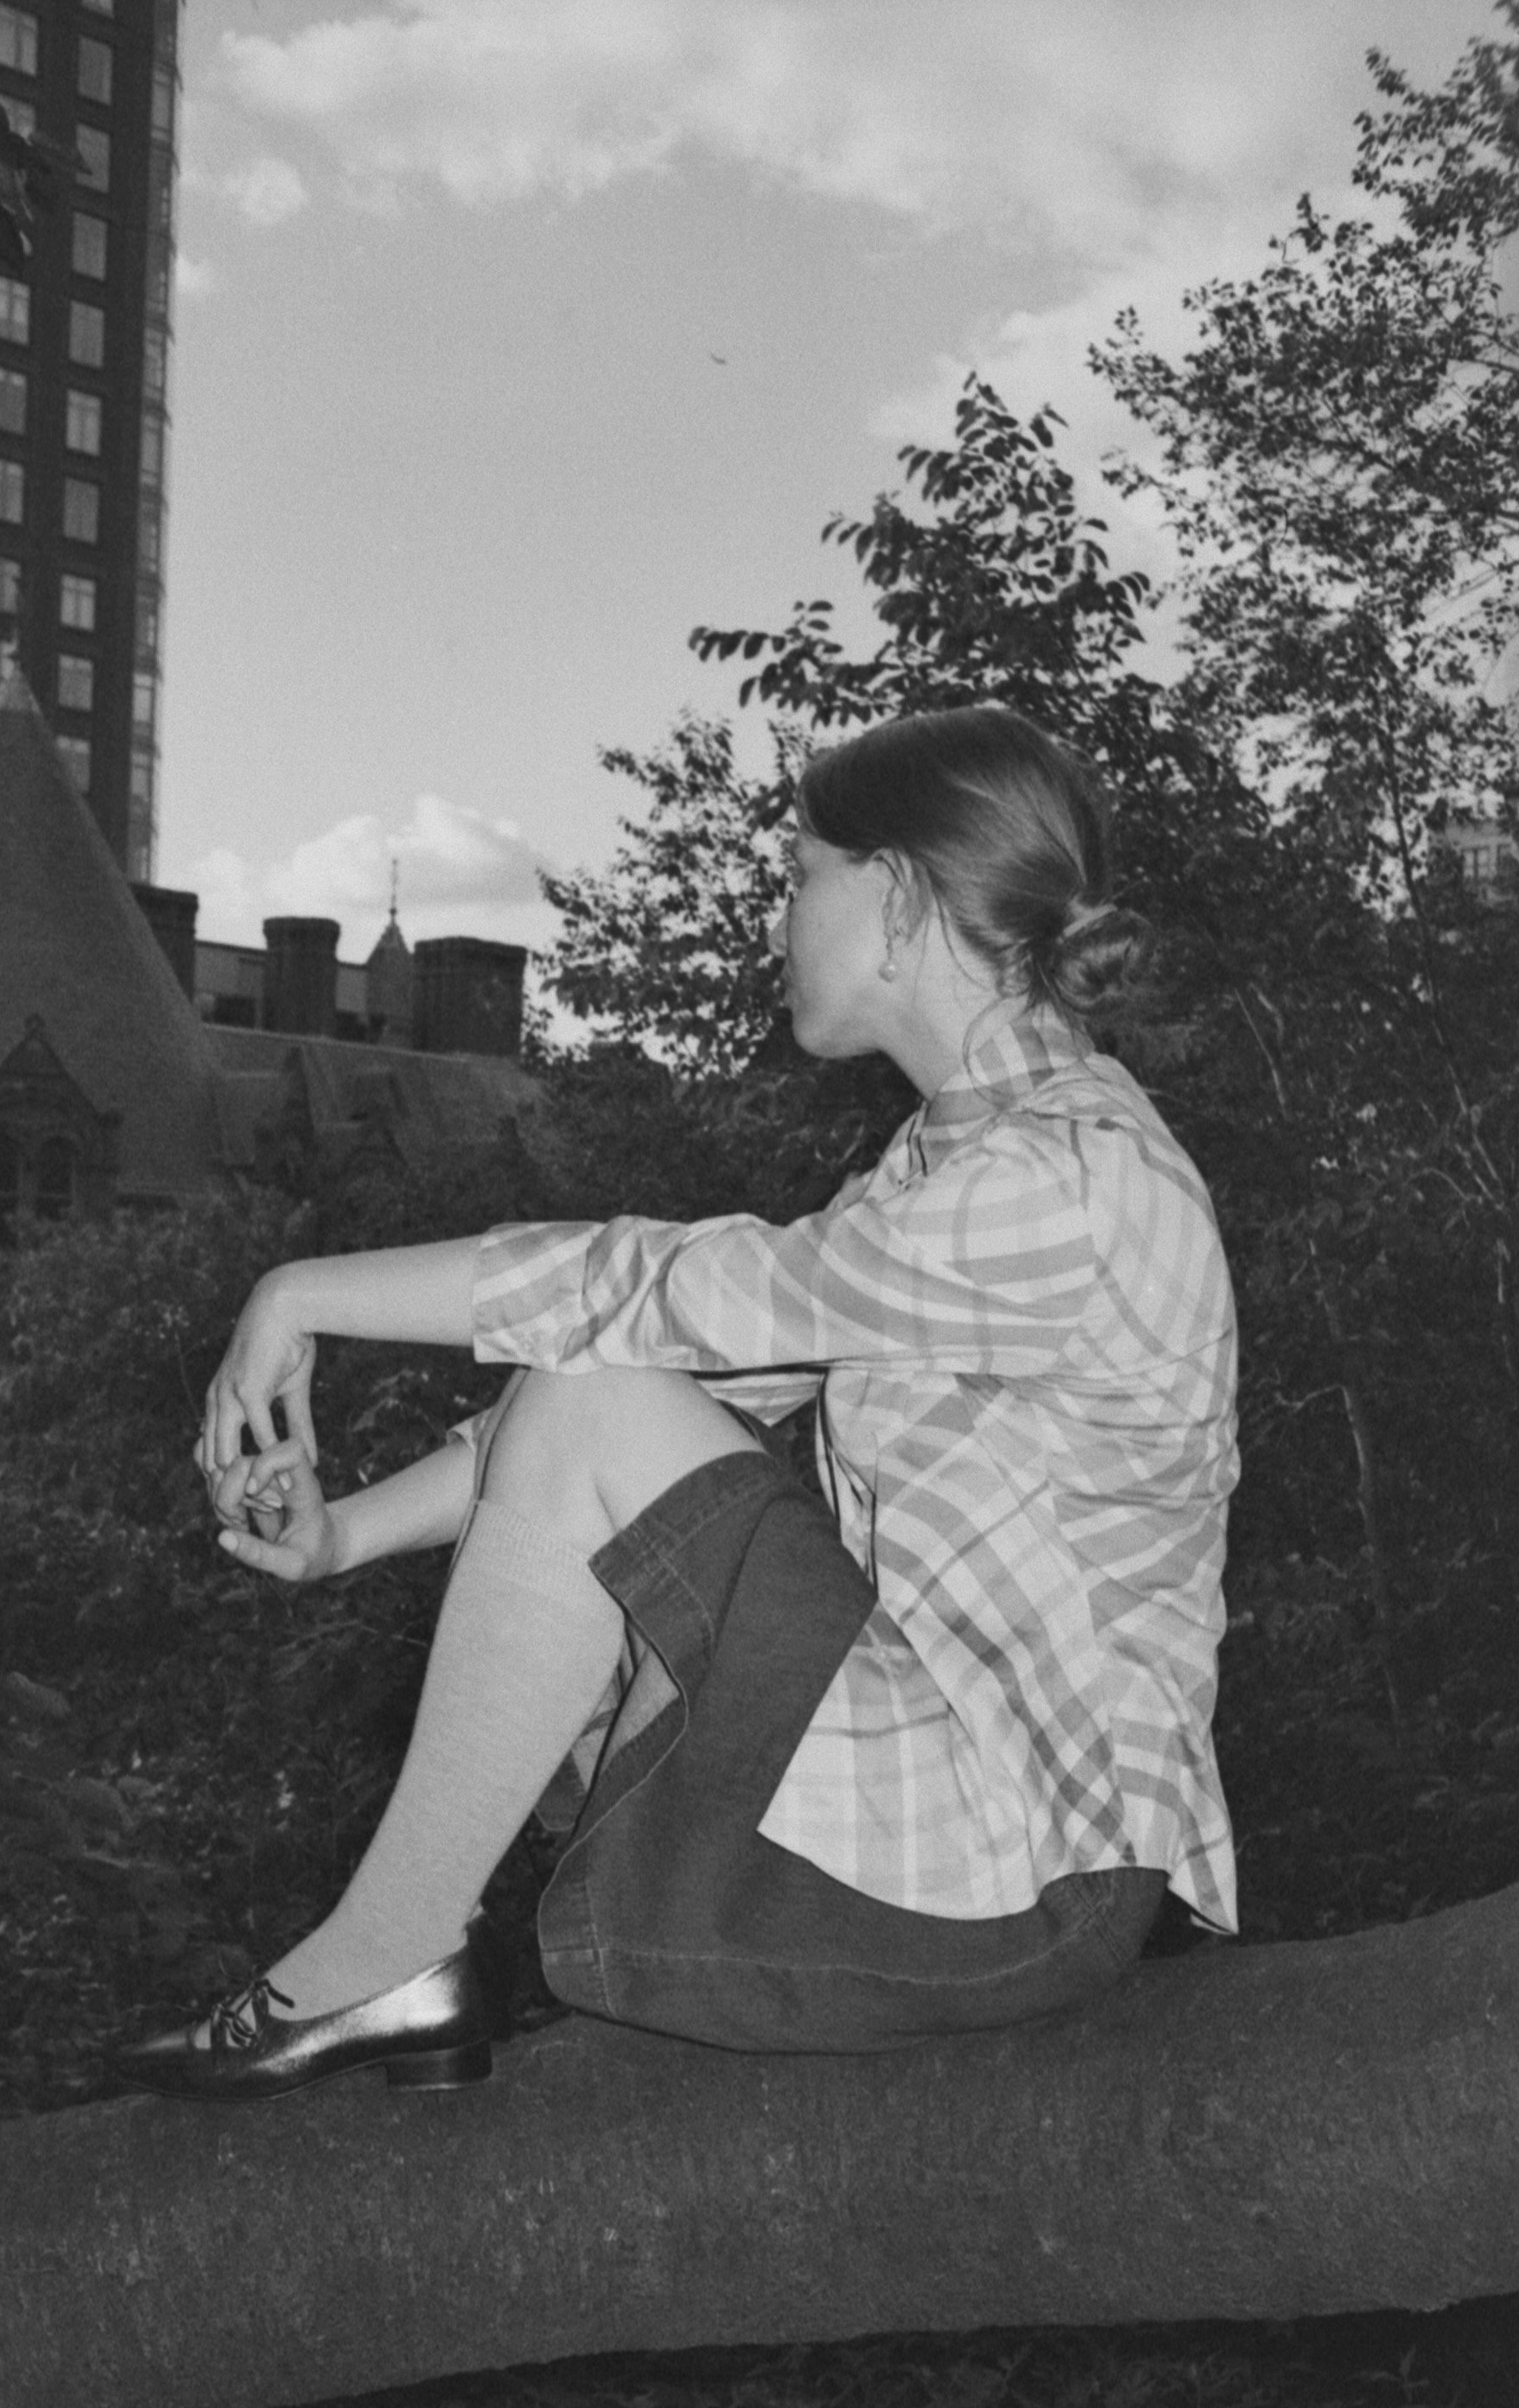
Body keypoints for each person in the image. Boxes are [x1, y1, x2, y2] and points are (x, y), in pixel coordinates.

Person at [118, 704, 1238, 2104]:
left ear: (892, 897)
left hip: (1024, 1867)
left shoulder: (1066, 1184)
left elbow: (658, 1303)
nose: (776, 918)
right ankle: (400, 1954)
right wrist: (343, 1533)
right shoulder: (953, 1169)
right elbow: (664, 1392)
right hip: (953, 1826)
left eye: (796, 876)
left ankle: (393, 1951)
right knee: (597, 1398)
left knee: (606, 1373)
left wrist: (304, 1291)